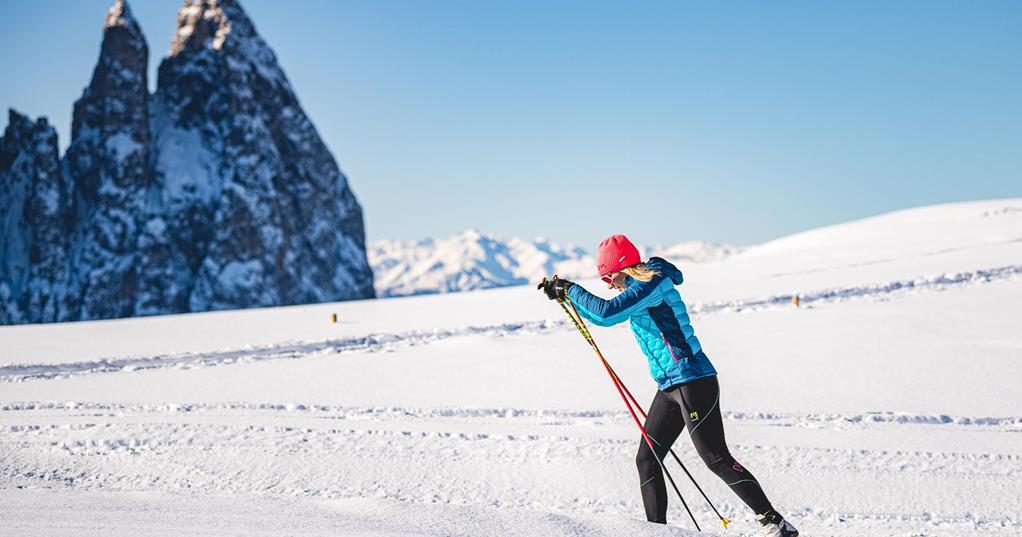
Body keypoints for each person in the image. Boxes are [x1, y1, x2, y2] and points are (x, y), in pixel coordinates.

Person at [538, 234, 799, 537]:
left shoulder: (651, 284)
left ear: (622, 268)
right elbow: (602, 315)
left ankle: (774, 522)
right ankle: (656, 532)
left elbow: (607, 313)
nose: (609, 284)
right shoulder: (639, 289)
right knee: (647, 459)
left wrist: (570, 289)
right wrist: (566, 297)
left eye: (608, 276)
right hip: (669, 386)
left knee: (716, 458)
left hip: (693, 380)